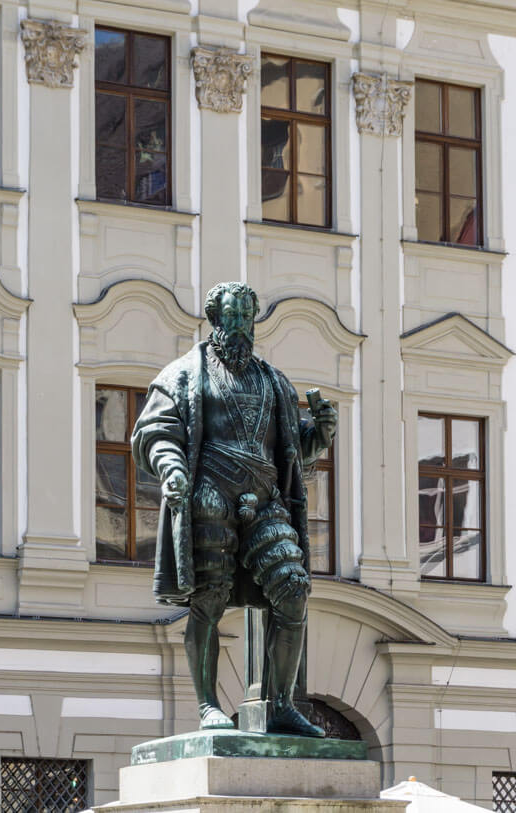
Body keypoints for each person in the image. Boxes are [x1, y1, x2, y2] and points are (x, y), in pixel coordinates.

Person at [131, 281, 337, 737]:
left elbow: (292, 450)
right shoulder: (185, 373)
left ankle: (280, 704)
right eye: (232, 314)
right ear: (215, 317)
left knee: (293, 590)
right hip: (209, 493)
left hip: (264, 499)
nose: (240, 324)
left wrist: (319, 434)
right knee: (209, 599)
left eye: (247, 315)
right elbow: (153, 431)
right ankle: (208, 706)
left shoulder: (273, 381)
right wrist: (172, 467)